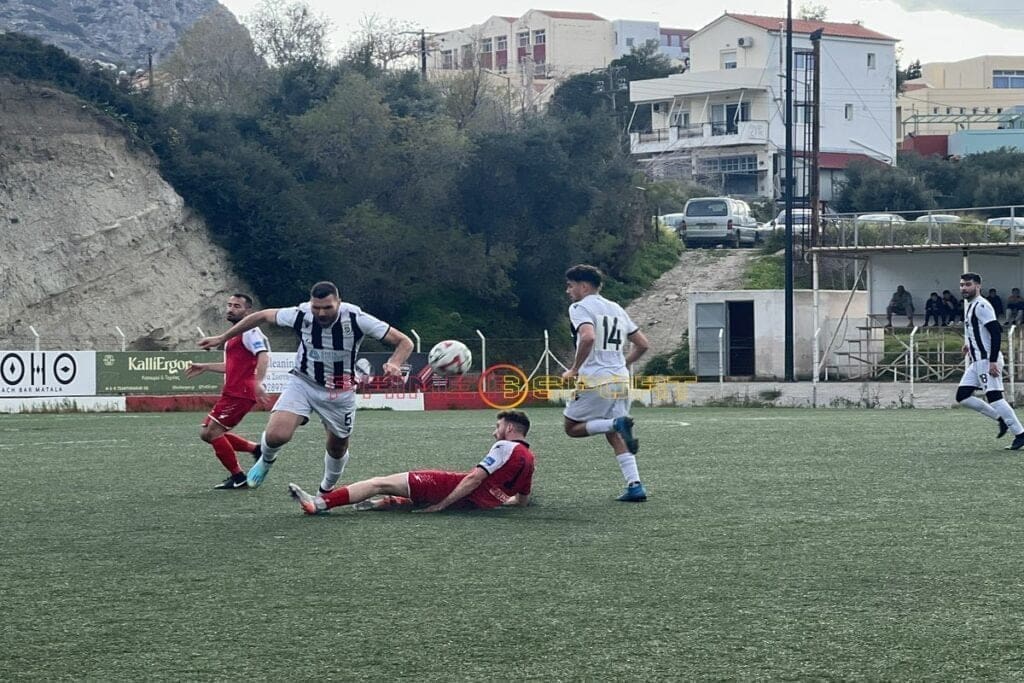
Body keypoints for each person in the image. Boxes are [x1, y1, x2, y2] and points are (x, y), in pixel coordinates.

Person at [198, 281, 414, 492]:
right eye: (316, 307)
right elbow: (262, 315)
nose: (321, 313)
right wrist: (223, 337)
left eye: (327, 307)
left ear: (339, 302)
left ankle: (326, 490)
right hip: (303, 382)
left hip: (340, 390)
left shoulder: (356, 318)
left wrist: (395, 362)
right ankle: (266, 461)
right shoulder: (301, 314)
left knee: (337, 447)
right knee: (276, 435)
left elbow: (405, 341)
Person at [287, 410, 535, 515]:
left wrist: (442, 505)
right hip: (475, 506)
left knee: (378, 483)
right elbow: (521, 500)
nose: (494, 432)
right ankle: (389, 503)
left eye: (498, 426)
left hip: (450, 489)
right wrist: (495, 501)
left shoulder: (505, 447)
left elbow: (474, 478)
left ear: (509, 428)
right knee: (400, 492)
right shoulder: (530, 459)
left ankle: (319, 503)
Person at [561, 264, 651, 502]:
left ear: (583, 286)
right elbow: (643, 344)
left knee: (572, 428)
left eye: (570, 286)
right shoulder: (616, 308)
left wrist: (574, 369)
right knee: (614, 434)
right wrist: (623, 363)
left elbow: (588, 337)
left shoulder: (579, 307)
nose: (568, 291)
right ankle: (635, 486)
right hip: (621, 379)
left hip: (595, 379)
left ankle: (615, 423)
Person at [186, 293, 270, 489]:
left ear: (248, 312)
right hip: (232, 392)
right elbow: (232, 367)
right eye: (229, 305)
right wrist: (205, 367)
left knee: (212, 433)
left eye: (237, 306)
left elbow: (263, 356)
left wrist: (258, 382)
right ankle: (256, 449)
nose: (230, 309)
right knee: (206, 433)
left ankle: (238, 477)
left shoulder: (250, 331)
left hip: (241, 393)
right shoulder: (234, 336)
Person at [955, 272, 1024, 450]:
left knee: (995, 397)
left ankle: (1020, 433)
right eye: (962, 285)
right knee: (962, 396)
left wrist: (993, 360)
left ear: (978, 286)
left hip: (986, 360)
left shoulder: (982, 305)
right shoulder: (970, 305)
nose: (964, 288)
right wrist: (968, 344)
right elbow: (976, 330)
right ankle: (1001, 418)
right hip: (976, 361)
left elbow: (995, 332)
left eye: (968, 285)